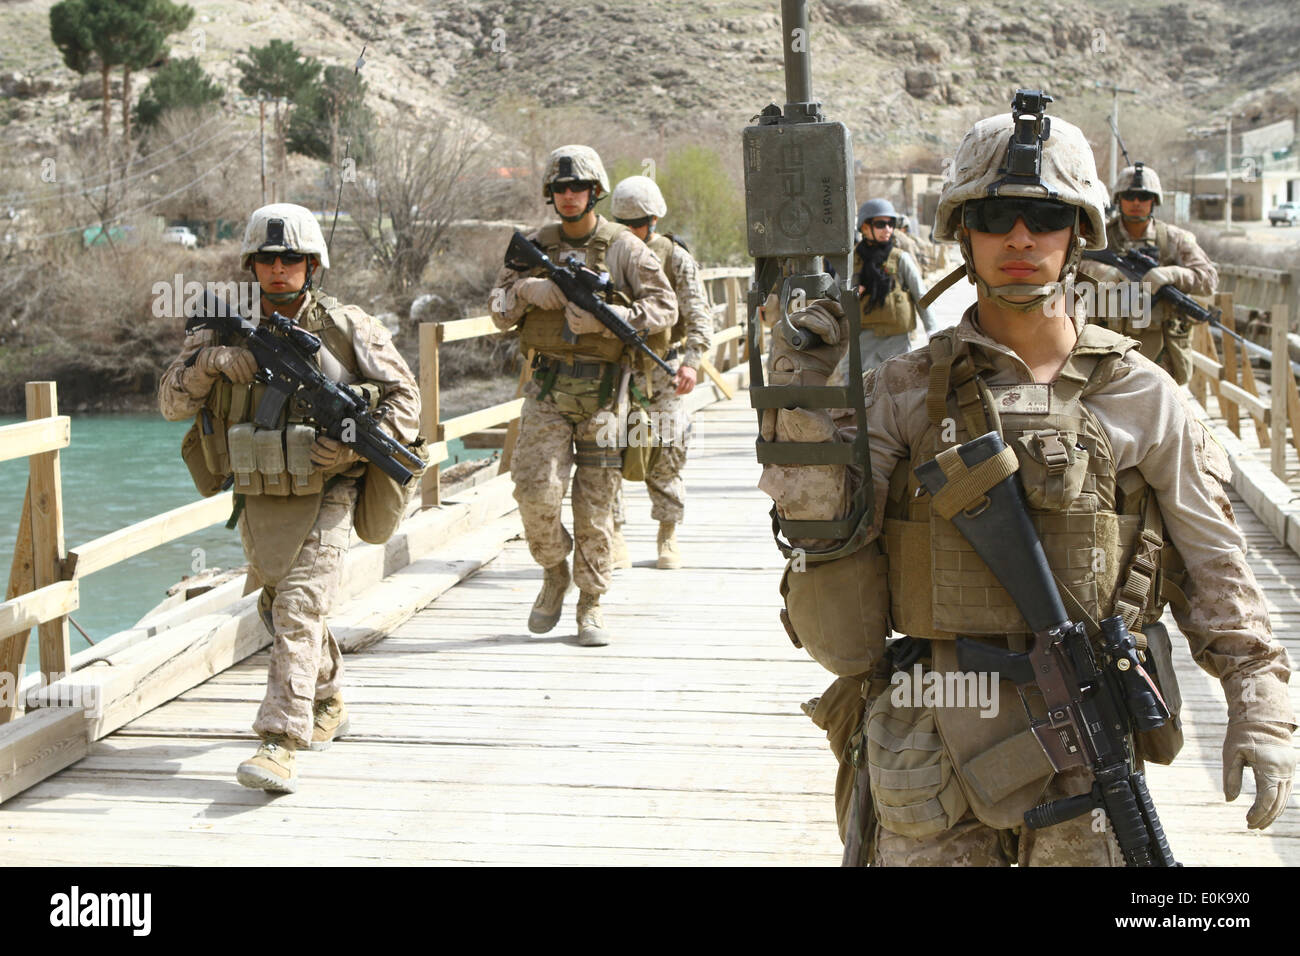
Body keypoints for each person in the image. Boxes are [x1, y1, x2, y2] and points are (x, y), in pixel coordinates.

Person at [760, 96, 1295, 865]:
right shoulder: (906, 389)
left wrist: (1259, 701)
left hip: (1086, 736)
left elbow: (1214, 558)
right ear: (961, 234)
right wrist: (802, 396)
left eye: (1045, 217)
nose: (1020, 237)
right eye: (996, 215)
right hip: (932, 731)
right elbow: (826, 537)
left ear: (1079, 235)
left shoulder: (1140, 391)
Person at [158, 203, 422, 792]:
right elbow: (172, 404)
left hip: (329, 489)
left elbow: (407, 402)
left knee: (299, 606)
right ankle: (327, 698)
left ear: (312, 264)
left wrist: (354, 451)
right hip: (259, 490)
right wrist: (211, 364)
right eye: (268, 259)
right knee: (277, 606)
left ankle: (279, 741)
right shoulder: (220, 329)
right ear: (253, 265)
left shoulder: (348, 326)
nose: (280, 269)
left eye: (292, 259)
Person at [488, 146, 676, 646]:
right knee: (533, 491)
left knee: (596, 508)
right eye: (560, 189)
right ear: (551, 195)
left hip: (604, 395)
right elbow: (497, 308)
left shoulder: (624, 248)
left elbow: (665, 307)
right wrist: (527, 291)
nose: (569, 197)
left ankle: (590, 604)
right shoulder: (531, 245)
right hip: (548, 389)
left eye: (579, 188)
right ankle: (554, 570)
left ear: (596, 192)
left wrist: (607, 320)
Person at [606, 175, 714, 570]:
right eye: (623, 225)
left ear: (653, 221)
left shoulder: (674, 256)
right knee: (606, 452)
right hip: (615, 370)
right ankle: (614, 534)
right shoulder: (607, 254)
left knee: (668, 451)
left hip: (663, 369)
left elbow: (700, 316)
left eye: (637, 225)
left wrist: (691, 361)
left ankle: (667, 532)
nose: (630, 233)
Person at [1080, 162, 1217, 385]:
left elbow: (1208, 280)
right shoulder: (1100, 237)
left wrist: (1172, 274)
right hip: (1103, 347)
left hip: (1158, 352)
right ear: (1119, 199)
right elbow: (1066, 264)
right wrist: (1102, 272)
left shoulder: (1174, 239)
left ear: (1154, 201)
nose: (1136, 203)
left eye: (1144, 197)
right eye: (1130, 196)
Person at [835, 198, 937, 383]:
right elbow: (834, 298)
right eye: (880, 224)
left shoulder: (900, 258)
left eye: (891, 224)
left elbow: (921, 295)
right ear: (865, 227)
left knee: (900, 392)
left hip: (896, 341)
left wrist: (932, 330)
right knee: (856, 391)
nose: (887, 229)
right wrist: (851, 295)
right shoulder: (851, 262)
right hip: (862, 341)